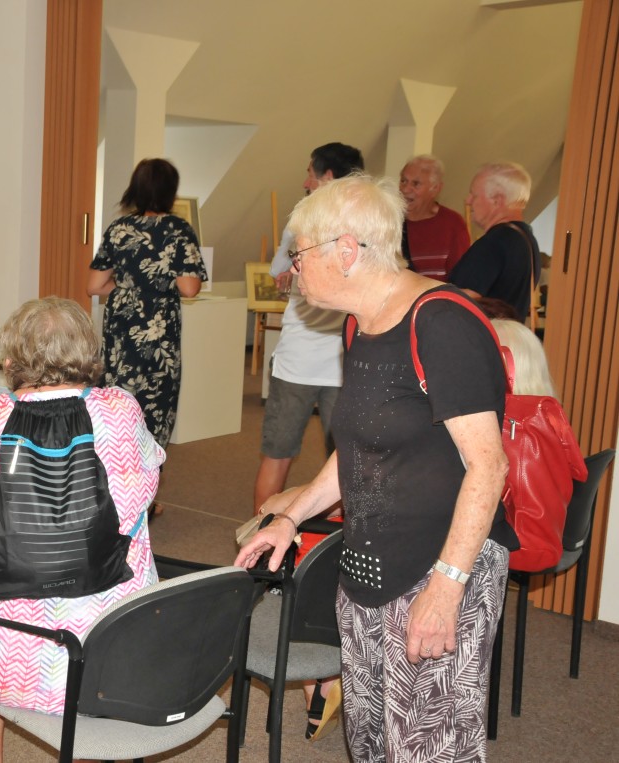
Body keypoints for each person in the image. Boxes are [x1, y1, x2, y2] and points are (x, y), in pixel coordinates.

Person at [236, 174, 516, 761]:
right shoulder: (358, 323)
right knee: (371, 742)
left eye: (300, 253)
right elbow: (361, 447)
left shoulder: (441, 324)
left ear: (346, 249)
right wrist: (294, 515)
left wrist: (446, 588)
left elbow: (488, 468)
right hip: (369, 563)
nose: (292, 268)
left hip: (440, 566)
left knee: (429, 748)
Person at [0, 297, 164, 763]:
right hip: (113, 658)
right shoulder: (122, 410)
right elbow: (152, 479)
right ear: (90, 358)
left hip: (9, 666)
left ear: (11, 361)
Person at [256, 142, 363, 741]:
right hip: (337, 363)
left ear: (323, 176)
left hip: (303, 363)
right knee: (339, 469)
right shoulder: (366, 230)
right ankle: (303, 562)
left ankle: (265, 567)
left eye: (308, 171)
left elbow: (277, 281)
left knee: (285, 459)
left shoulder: (305, 221)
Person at [87, 158, 208, 452]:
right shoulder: (179, 230)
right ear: (171, 191)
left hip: (121, 324)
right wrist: (154, 286)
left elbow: (94, 286)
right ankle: (145, 482)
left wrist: (130, 286)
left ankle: (112, 468)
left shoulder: (119, 229)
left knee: (118, 393)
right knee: (156, 398)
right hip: (158, 327)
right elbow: (189, 288)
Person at [448, 162, 541, 321]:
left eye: (474, 194)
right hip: (506, 339)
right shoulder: (526, 239)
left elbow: (458, 301)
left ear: (497, 200)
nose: (468, 201)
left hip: (481, 340)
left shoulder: (494, 243)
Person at [399, 154, 471, 279]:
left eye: (415, 184)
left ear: (435, 189)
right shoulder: (388, 221)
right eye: (403, 181)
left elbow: (460, 280)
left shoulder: (452, 224)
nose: (405, 189)